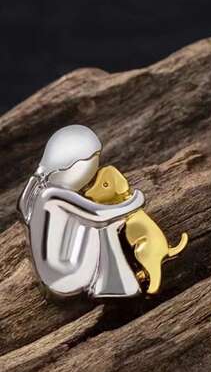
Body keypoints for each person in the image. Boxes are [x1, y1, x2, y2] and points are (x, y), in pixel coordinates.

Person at [18, 125, 144, 299]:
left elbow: (21, 207)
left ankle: (115, 283)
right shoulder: (53, 194)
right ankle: (114, 286)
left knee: (100, 222)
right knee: (104, 225)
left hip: (59, 268)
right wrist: (134, 202)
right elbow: (97, 215)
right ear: (71, 166)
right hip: (64, 276)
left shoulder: (40, 190)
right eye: (91, 165)